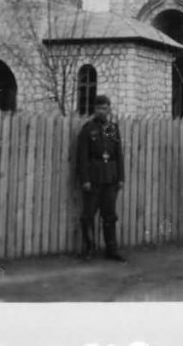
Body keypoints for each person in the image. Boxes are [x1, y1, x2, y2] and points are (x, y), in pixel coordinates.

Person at [75, 95, 126, 262]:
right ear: (94, 110)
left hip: (110, 178)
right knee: (88, 215)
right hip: (94, 179)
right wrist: (85, 180)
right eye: (98, 108)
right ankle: (89, 249)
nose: (101, 111)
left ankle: (111, 250)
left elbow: (117, 153)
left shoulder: (111, 128)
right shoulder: (88, 129)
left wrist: (120, 178)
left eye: (104, 108)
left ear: (109, 109)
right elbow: (82, 157)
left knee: (110, 215)